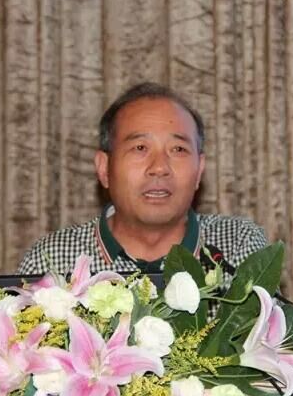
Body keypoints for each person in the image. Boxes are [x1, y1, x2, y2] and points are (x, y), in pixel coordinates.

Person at [17, 82, 267, 284]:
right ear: (104, 168)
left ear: (199, 170)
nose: (159, 167)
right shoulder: (53, 261)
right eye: (140, 148)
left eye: (178, 149)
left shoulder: (236, 246)